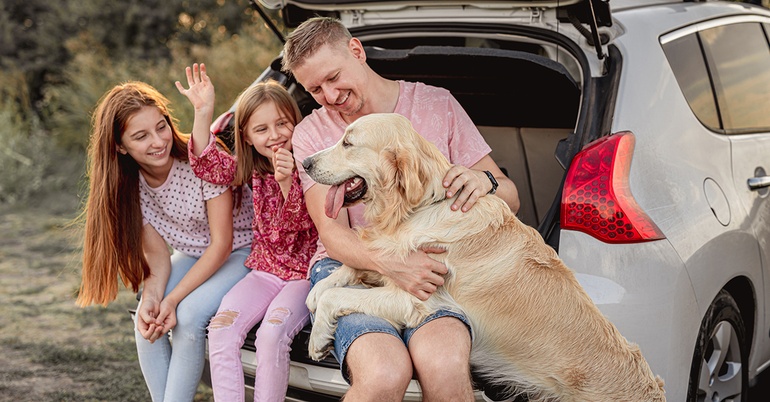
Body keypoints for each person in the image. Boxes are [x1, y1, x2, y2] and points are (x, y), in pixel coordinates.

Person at [282, 17, 521, 402]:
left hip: (432, 267)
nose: (329, 95)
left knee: (443, 365)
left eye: (333, 77)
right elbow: (333, 233)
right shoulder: (311, 133)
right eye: (314, 89)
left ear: (356, 52)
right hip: (353, 264)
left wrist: (487, 183)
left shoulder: (436, 105)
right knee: (382, 374)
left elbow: (510, 197)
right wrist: (392, 263)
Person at [76, 81, 254, 402]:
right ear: (119, 146)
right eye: (141, 136)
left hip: (241, 251)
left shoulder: (200, 161)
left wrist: (173, 300)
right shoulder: (129, 186)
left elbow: (222, 245)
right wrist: (154, 298)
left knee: (188, 316)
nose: (158, 141)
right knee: (148, 320)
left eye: (161, 127)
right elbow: (157, 257)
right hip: (192, 255)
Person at [175, 64, 318, 402]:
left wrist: (287, 184)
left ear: (297, 123)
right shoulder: (250, 167)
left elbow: (296, 229)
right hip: (265, 272)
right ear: (247, 137)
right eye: (262, 129)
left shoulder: (312, 165)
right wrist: (203, 111)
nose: (275, 135)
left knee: (271, 335)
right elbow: (206, 163)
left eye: (283, 123)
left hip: (304, 276)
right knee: (222, 329)